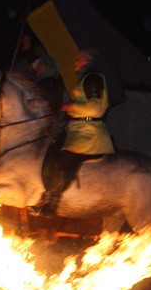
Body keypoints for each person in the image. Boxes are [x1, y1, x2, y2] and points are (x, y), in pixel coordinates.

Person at [34, 48, 114, 215]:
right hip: (79, 130)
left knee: (60, 162)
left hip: (88, 133)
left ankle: (52, 202)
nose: (75, 62)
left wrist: (72, 107)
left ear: (87, 60)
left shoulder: (93, 78)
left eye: (79, 59)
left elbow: (96, 108)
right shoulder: (86, 78)